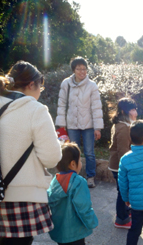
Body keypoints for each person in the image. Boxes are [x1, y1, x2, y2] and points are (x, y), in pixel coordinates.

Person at [0, 61, 62, 245]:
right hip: (22, 200)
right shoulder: (35, 110)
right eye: (40, 87)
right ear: (31, 85)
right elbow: (51, 158)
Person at [55, 56, 104, 188]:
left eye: (84, 69)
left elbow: (96, 107)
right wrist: (62, 124)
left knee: (89, 152)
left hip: (88, 125)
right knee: (71, 152)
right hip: (71, 124)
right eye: (79, 69)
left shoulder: (92, 85)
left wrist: (97, 128)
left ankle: (90, 177)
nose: (82, 72)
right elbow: (62, 104)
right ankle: (72, 177)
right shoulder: (66, 83)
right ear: (73, 70)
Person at [47, 142, 98, 245]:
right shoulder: (78, 182)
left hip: (60, 233)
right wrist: (92, 222)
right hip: (75, 233)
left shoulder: (54, 182)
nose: (81, 163)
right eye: (79, 160)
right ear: (73, 164)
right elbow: (83, 207)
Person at [108, 97, 137, 229]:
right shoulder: (124, 128)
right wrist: (128, 168)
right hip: (120, 167)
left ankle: (125, 212)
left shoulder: (120, 124)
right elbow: (123, 151)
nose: (136, 112)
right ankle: (121, 219)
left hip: (117, 165)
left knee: (124, 190)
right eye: (133, 109)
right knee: (122, 192)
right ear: (125, 112)